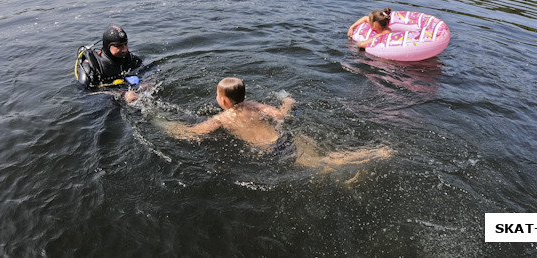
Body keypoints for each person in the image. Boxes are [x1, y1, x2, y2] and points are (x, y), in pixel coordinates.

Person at [163, 78, 392, 170]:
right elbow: (279, 115)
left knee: (325, 162)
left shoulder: (222, 118)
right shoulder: (253, 105)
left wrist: (167, 128)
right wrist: (287, 103)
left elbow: (192, 133)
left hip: (273, 151)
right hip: (284, 138)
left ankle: (376, 154)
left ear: (222, 100)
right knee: (322, 161)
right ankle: (357, 169)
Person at [76, 25, 143, 102]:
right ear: (108, 47)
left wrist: (146, 83)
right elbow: (83, 94)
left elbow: (145, 70)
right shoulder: (91, 66)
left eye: (125, 44)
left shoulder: (129, 58)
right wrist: (121, 95)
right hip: (104, 102)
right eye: (119, 46)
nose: (125, 49)